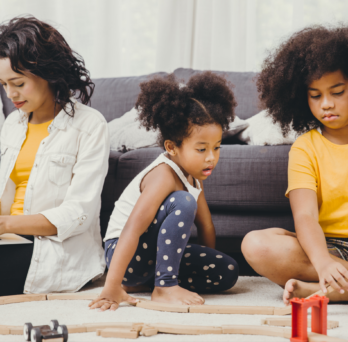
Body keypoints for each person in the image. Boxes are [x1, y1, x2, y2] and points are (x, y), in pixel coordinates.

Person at [89, 72, 239, 311]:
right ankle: (164, 287)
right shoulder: (163, 175)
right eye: (201, 149)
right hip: (125, 255)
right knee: (184, 201)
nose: (211, 157)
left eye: (217, 147)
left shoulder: (194, 177)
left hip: (151, 259)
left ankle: (156, 282)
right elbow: (132, 229)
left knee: (228, 270)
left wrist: (206, 259)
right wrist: (111, 286)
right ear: (172, 147)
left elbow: (206, 226)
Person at [0, 16, 109, 295]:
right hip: (9, 238)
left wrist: (6, 224)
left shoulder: (89, 125)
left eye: (18, 83)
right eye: (3, 84)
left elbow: (79, 213)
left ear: (47, 73)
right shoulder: (12, 123)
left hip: (53, 249)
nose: (10, 94)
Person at [241, 26, 348, 305]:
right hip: (328, 249)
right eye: (315, 95)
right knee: (256, 244)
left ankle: (321, 291)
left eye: (338, 92)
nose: (326, 104)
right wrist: (323, 261)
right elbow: (306, 217)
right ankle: (332, 284)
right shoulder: (305, 147)